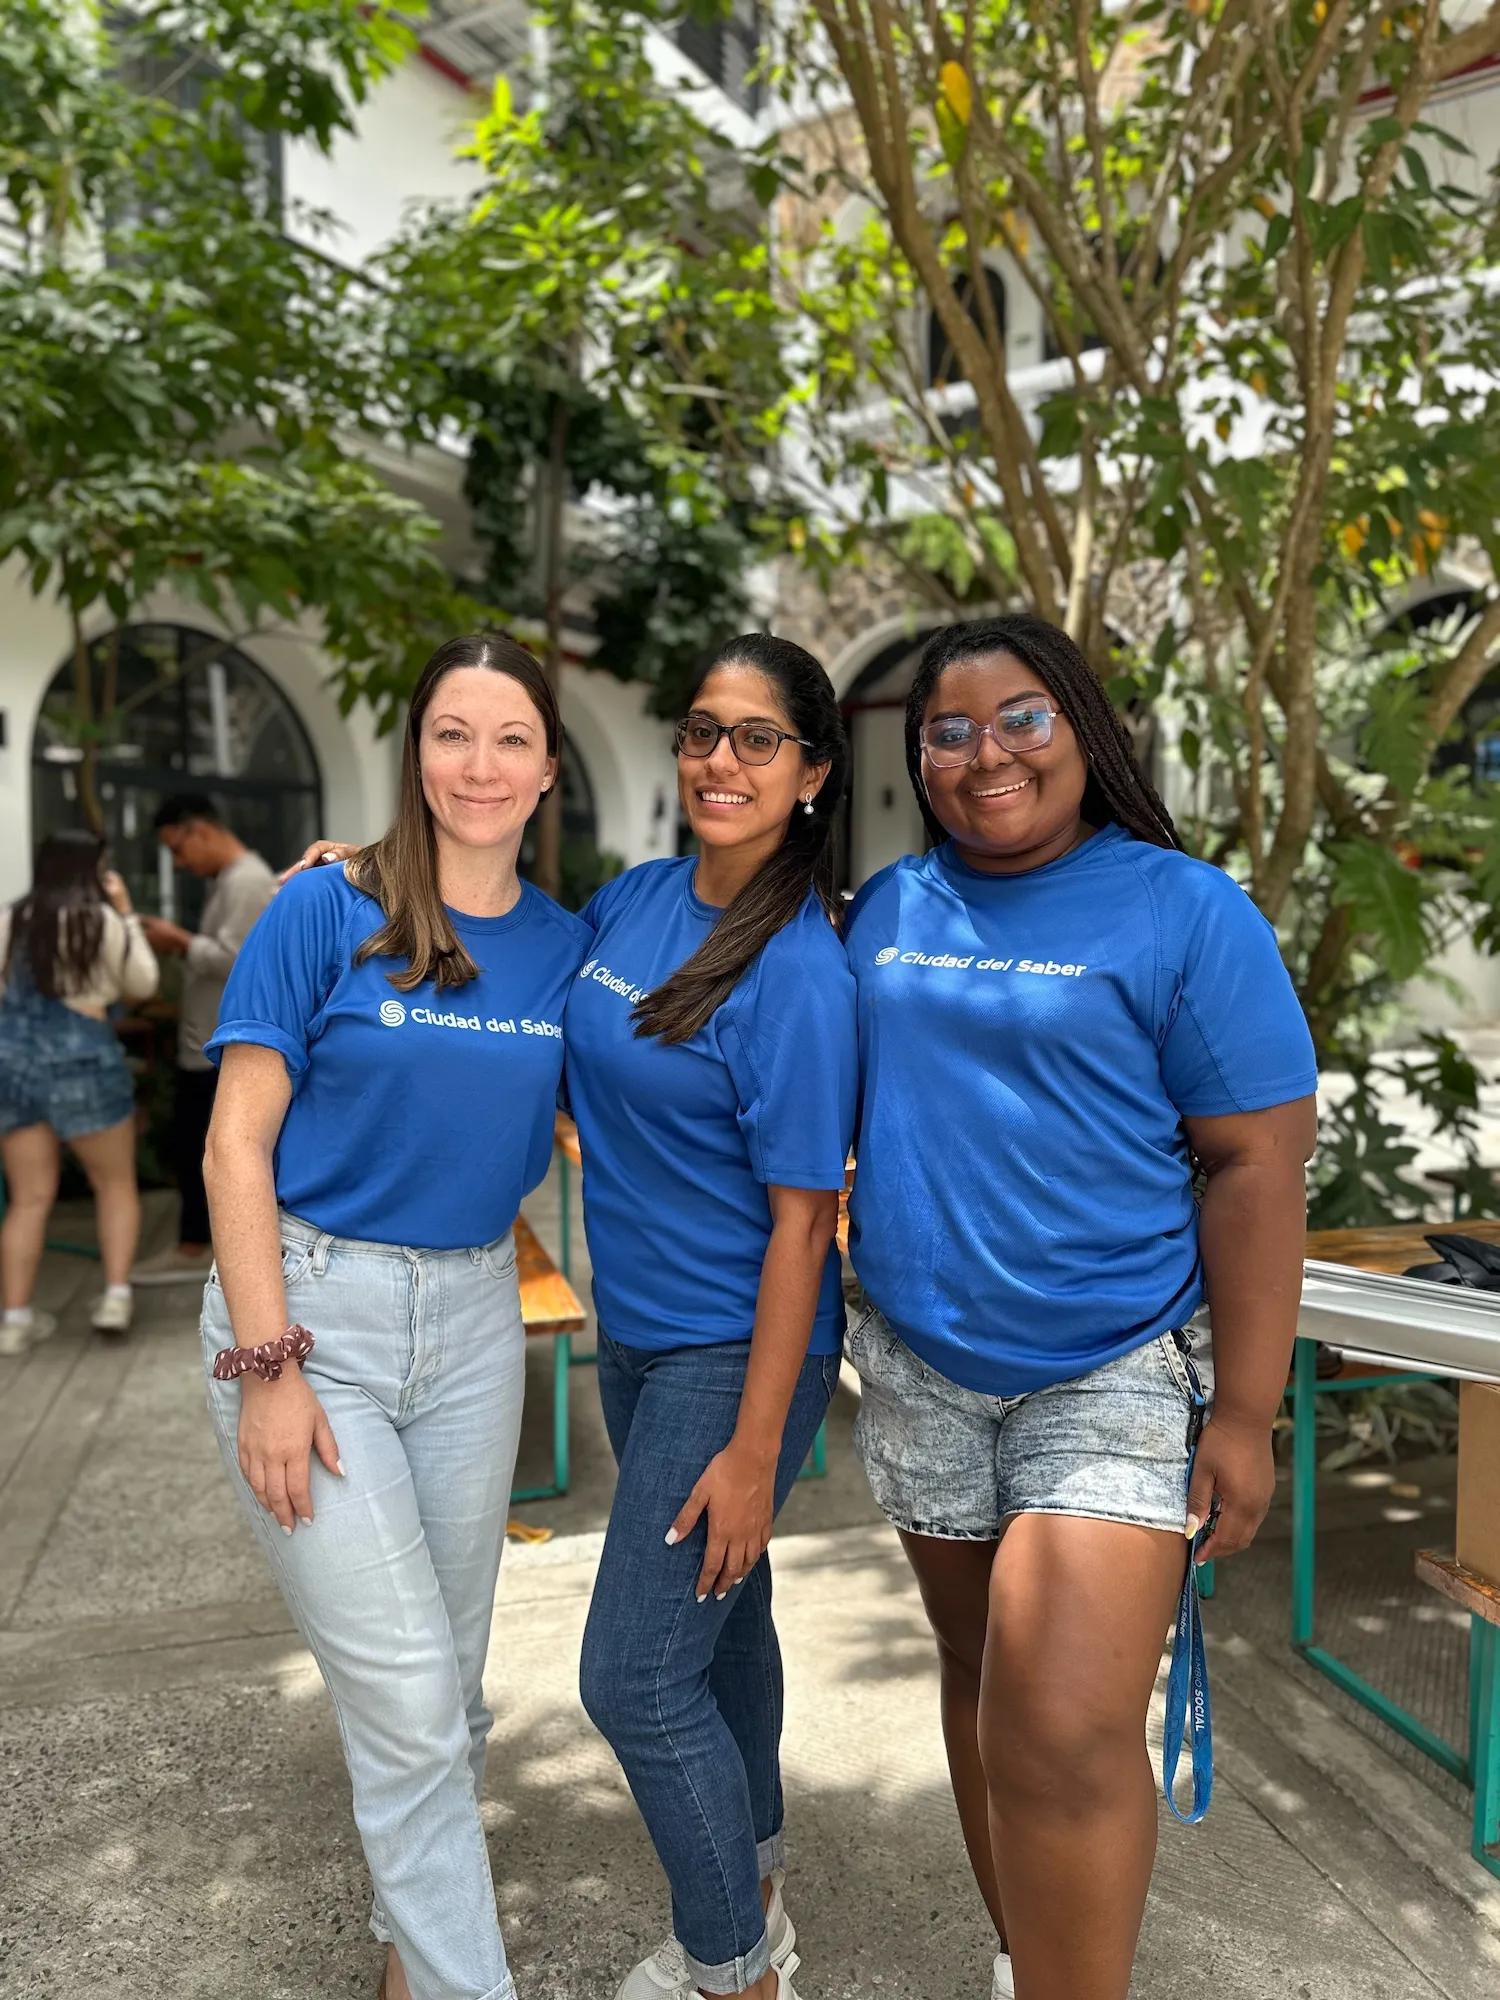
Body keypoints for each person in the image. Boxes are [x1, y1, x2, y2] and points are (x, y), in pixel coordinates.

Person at [843, 614, 1319, 2000]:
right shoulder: (885, 909)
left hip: (1113, 1367)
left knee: (1057, 1723)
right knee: (979, 1674)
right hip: (922, 1366)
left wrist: (1246, 1413)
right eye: (949, 731)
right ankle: (1025, 1959)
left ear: (1084, 732)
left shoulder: (1185, 909)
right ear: (916, 760)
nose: (986, 752)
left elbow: (1256, 1163)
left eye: (1022, 719)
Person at [200, 633, 588, 2000]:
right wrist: (266, 1368)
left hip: (477, 1318)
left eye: (511, 738)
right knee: (413, 1701)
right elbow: (233, 1145)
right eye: (451, 734)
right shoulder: (324, 909)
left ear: (550, 769)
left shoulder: (568, 950)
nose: (480, 765)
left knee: (450, 1688)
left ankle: (410, 1963)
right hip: (308, 1311)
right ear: (415, 753)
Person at [569, 635, 856, 2000]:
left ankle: (735, 1970)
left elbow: (805, 1223)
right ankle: (763, 1881)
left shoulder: (799, 972)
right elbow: (498, 959)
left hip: (733, 1354)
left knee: (632, 1676)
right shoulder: (632, 899)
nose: (719, 760)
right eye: (701, 731)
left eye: (757, 738)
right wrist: (362, 883)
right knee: (723, 1623)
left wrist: (754, 1445)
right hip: (632, 1336)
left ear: (812, 773)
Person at [0, 832, 160, 1349]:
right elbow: (143, 984)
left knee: (29, 1198)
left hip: (16, 1066)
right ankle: (115, 1297)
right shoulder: (101, 921)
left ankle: (15, 1321)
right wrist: (126, 913)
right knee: (113, 1184)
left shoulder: (10, 920)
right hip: (84, 1062)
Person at [133, 794, 276, 1285]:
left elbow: (239, 959)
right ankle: (200, 1244)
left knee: (206, 1148)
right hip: (211, 1040)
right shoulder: (233, 880)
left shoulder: (247, 881)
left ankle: (197, 1247)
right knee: (195, 1143)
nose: (179, 863)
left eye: (177, 848)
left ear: (200, 830)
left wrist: (179, 941)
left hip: (222, 1045)